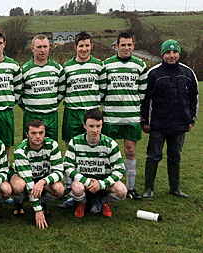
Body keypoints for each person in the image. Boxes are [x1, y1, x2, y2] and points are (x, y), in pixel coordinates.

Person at [140, 39, 199, 199]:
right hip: (157, 125)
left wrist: (191, 120)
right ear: (162, 54)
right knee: (153, 156)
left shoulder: (188, 73)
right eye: (168, 53)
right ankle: (148, 189)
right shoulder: (153, 73)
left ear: (179, 53)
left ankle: (175, 189)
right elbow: (145, 100)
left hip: (180, 124)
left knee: (175, 157)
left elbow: (194, 98)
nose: (171, 56)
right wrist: (144, 121)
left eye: (174, 52)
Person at [59, 31, 106, 191]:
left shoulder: (99, 65)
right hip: (72, 112)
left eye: (87, 45)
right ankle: (68, 187)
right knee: (70, 148)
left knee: (93, 147)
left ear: (91, 46)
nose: (84, 49)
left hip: (92, 112)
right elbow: (62, 90)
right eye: (81, 46)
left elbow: (103, 89)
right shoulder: (66, 67)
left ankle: (94, 184)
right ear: (75, 47)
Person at [103, 32, 147, 201]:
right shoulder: (106, 65)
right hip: (111, 117)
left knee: (130, 151)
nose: (126, 48)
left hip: (131, 117)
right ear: (117, 46)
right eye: (123, 45)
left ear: (133, 46)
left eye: (129, 45)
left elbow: (143, 92)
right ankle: (107, 186)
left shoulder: (140, 65)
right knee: (108, 153)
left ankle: (130, 188)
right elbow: (102, 90)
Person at [64, 109, 126, 218]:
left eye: (98, 126)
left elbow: (120, 170)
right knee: (77, 188)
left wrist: (101, 184)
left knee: (122, 191)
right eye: (91, 126)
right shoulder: (75, 142)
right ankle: (81, 203)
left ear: (102, 125)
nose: (95, 130)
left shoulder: (110, 144)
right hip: (83, 183)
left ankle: (103, 202)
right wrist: (87, 182)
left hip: (103, 184)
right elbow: (67, 167)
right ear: (84, 126)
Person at [10, 120, 64, 229]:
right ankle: (19, 203)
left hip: (41, 178)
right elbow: (29, 181)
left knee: (59, 189)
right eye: (33, 133)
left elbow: (59, 172)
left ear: (45, 133)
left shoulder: (52, 145)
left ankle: (43, 202)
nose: (38, 136)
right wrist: (37, 211)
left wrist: (42, 182)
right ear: (27, 135)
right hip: (23, 178)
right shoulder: (20, 150)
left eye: (41, 133)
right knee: (18, 186)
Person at [20, 34, 63, 141]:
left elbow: (62, 92)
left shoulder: (58, 69)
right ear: (32, 49)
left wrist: (50, 103)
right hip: (31, 115)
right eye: (39, 47)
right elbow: (18, 95)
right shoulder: (24, 70)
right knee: (30, 148)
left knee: (51, 148)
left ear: (49, 48)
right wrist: (28, 106)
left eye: (45, 46)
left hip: (51, 115)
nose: (42, 50)